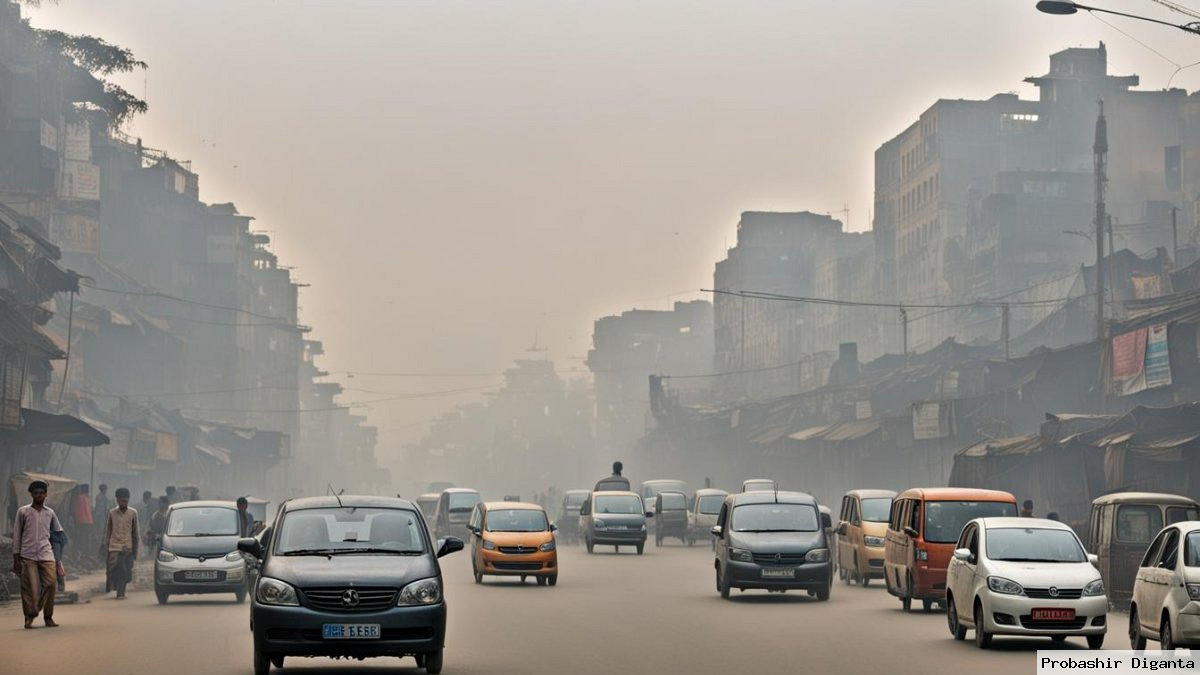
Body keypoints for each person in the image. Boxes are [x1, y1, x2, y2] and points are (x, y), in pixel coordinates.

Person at [12, 480, 63, 628]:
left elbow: (58, 533)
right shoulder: (23, 512)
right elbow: (17, 535)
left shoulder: (50, 513)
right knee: (30, 588)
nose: (39, 495)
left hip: (46, 553)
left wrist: (58, 557)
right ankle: (29, 617)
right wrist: (16, 558)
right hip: (27, 555)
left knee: (51, 584)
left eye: (42, 493)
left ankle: (47, 616)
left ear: (46, 495)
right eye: (36, 493)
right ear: (31, 494)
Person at [104, 487, 139, 599]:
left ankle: (120, 590)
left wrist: (136, 551)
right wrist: (106, 545)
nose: (124, 503)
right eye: (121, 501)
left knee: (127, 571)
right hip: (114, 547)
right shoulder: (112, 513)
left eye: (125, 501)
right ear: (117, 500)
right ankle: (116, 589)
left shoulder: (133, 513)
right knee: (113, 569)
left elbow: (135, 533)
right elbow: (108, 531)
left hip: (128, 547)